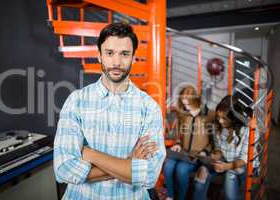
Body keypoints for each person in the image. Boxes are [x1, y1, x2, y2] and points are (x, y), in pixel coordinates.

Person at [53, 22, 166, 200]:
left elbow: (149, 175)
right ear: (99, 56)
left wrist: (90, 154)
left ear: (134, 57)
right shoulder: (76, 101)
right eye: (109, 53)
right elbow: (64, 170)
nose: (117, 62)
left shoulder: (149, 107)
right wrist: (128, 165)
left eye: (125, 54)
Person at [193, 95, 260, 200]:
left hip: (247, 165)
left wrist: (226, 166)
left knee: (230, 175)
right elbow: (218, 147)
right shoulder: (218, 126)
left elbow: (244, 159)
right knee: (202, 170)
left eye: (224, 118)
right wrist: (217, 154)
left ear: (235, 117)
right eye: (218, 117)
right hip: (226, 160)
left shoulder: (248, 130)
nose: (220, 121)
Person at [163, 85, 215, 200]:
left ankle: (181, 198)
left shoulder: (209, 115)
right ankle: (170, 196)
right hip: (182, 152)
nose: (186, 106)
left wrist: (205, 152)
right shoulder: (183, 115)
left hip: (197, 155)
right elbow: (178, 134)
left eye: (188, 104)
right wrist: (177, 143)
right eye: (183, 103)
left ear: (195, 100)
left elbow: (214, 140)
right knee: (168, 166)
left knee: (181, 170)